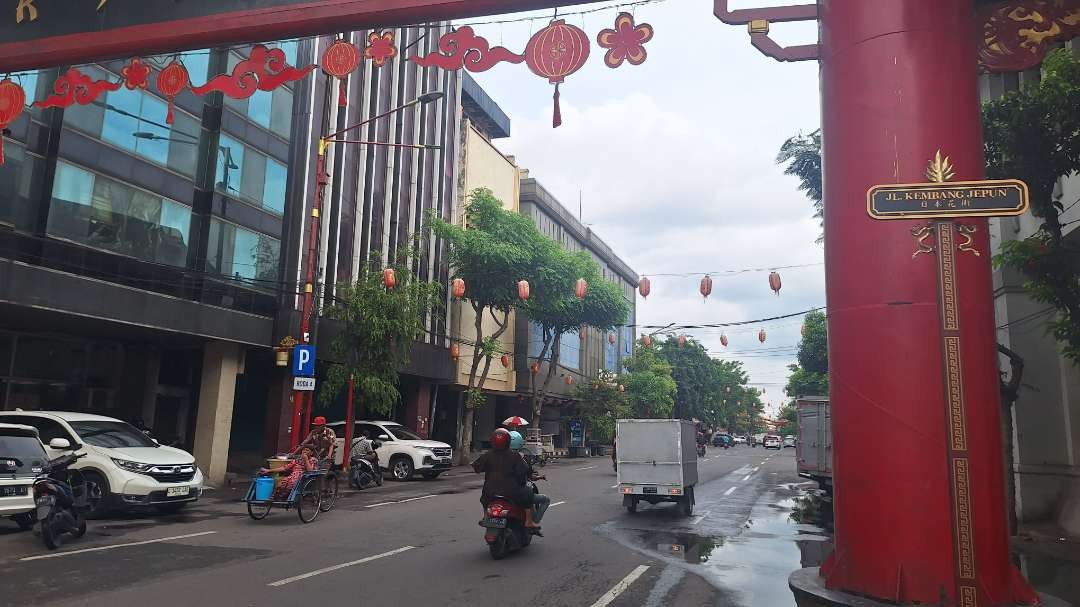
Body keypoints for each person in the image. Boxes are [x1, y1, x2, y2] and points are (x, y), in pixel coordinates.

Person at [472, 428, 539, 530]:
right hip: (512, 491)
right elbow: (523, 471)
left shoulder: (488, 455)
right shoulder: (515, 456)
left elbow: (477, 467)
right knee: (528, 493)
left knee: (484, 499)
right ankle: (529, 521)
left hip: (490, 491)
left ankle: (486, 516)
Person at [509, 430, 550, 525]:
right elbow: (530, 475)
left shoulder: (499, 458)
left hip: (500, 492)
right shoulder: (522, 460)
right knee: (544, 499)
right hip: (517, 492)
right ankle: (532, 521)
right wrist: (540, 477)